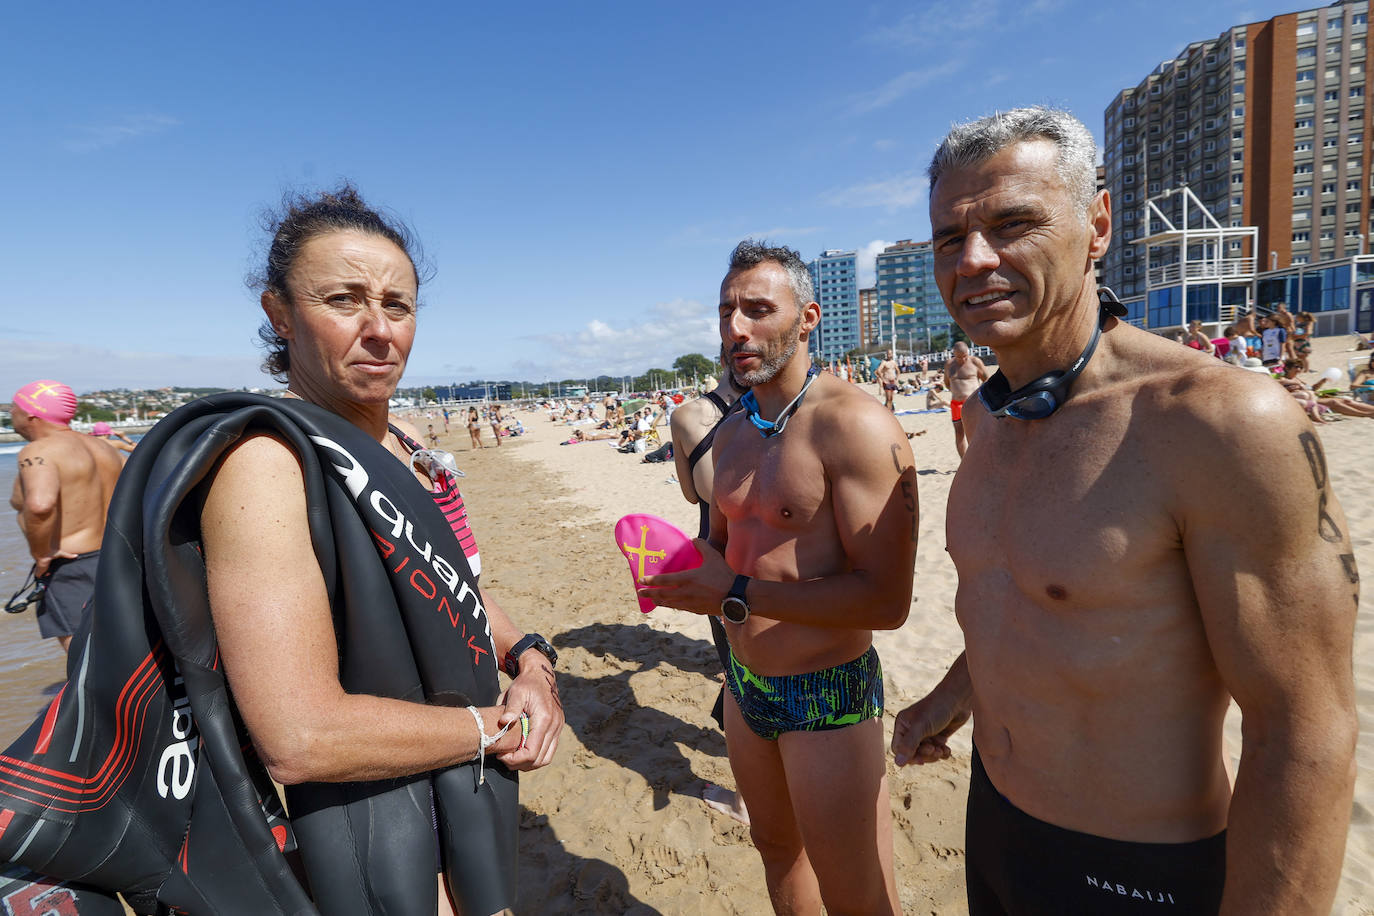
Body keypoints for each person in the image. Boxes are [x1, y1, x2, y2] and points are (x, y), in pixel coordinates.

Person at [891, 106, 1356, 915]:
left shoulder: (1217, 424)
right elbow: (1045, 603)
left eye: (1012, 224)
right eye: (948, 238)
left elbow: (1304, 733)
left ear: (1097, 224)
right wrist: (952, 694)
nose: (972, 259)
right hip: (994, 824)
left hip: (1135, 873)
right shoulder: (995, 420)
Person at [643, 240, 917, 915]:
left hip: (826, 693)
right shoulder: (733, 431)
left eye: (759, 310)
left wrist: (733, 595)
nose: (736, 329)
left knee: (856, 891)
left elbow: (888, 601)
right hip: (744, 684)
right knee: (775, 852)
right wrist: (677, 575)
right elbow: (721, 553)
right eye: (726, 312)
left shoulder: (853, 426)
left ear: (808, 317)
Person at [668, 346, 751, 824]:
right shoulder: (780, 408)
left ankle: (746, 801)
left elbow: (688, 492)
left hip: (718, 566)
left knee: (739, 678)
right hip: (778, 561)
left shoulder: (687, 417)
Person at [8, 380, 124, 653]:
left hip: (72, 566)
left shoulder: (39, 451)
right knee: (122, 651)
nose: (10, 413)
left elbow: (39, 505)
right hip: (115, 557)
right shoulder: (107, 449)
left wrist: (42, 555)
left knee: (85, 659)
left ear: (31, 414)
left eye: (13, 407)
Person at [943, 341, 988, 458]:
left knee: (976, 433)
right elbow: (947, 383)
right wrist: (957, 392)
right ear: (954, 354)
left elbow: (987, 380)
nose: (962, 360)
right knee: (959, 433)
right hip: (956, 403)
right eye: (959, 357)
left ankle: (980, 459)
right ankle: (964, 461)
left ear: (968, 353)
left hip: (973, 403)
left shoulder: (975, 362)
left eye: (964, 356)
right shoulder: (949, 364)